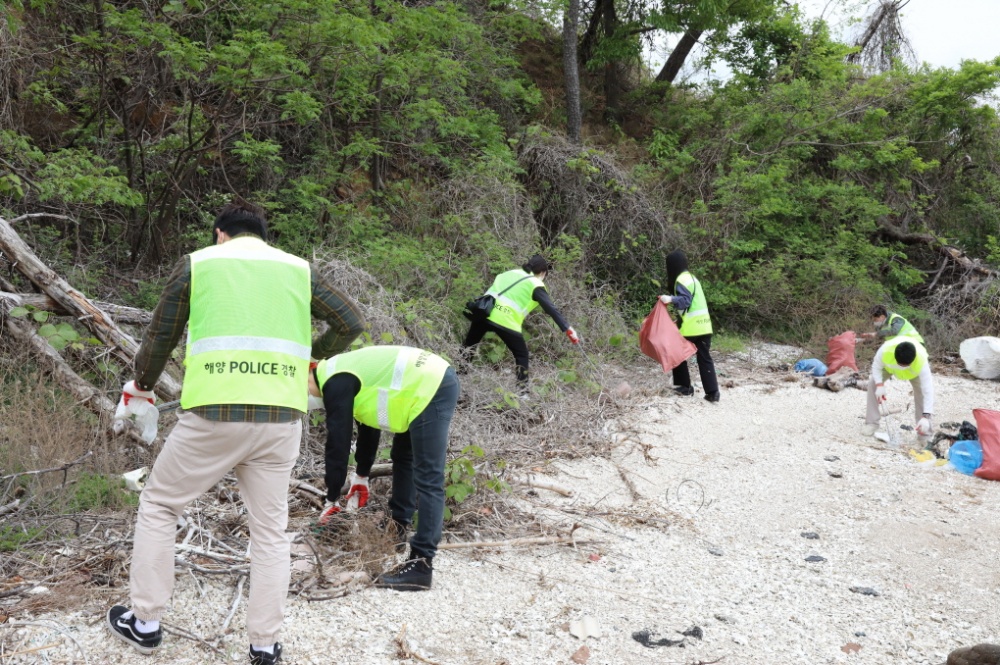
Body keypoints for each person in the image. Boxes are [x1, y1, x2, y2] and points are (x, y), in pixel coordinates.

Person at [106, 201, 365, 665]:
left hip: (212, 416)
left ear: (220, 233)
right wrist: (310, 359)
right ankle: (264, 646)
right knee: (270, 532)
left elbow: (161, 335)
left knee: (161, 504)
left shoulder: (199, 263)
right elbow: (351, 321)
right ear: (263, 235)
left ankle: (145, 622)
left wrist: (142, 386)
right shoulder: (297, 269)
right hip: (280, 420)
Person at [308, 345, 459, 591]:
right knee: (403, 455)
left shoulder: (334, 381)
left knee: (429, 476)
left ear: (308, 371)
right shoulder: (341, 373)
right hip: (423, 383)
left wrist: (332, 498)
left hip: (431, 385)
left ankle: (421, 566)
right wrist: (361, 476)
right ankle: (397, 529)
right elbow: (369, 423)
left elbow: (338, 443)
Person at [460, 254, 579, 395]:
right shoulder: (536, 284)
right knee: (521, 354)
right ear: (542, 272)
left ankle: (459, 377)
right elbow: (551, 309)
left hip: (484, 313)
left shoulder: (510, 273)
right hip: (506, 321)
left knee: (469, 346)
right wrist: (567, 328)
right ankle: (523, 393)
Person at [659, 249, 720, 402]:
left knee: (676, 354)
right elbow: (692, 306)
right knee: (705, 358)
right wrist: (678, 321)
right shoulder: (692, 278)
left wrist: (670, 299)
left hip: (692, 328)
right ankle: (713, 393)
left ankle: (684, 387)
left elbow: (685, 301)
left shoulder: (681, 279)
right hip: (705, 326)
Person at [863, 337, 934, 442]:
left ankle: (924, 434)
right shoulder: (885, 350)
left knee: (922, 394)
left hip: (913, 373)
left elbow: (928, 389)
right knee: (872, 384)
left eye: (905, 365)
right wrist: (879, 385)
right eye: (900, 364)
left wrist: (926, 415)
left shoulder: (921, 360)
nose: (902, 367)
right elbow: (876, 367)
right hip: (889, 368)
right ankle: (871, 423)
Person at [859, 305, 924, 344]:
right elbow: (882, 336)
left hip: (915, 343)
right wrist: (863, 339)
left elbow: (894, 331)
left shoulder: (896, 319)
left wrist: (875, 334)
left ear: (882, 316)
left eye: (875, 319)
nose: (874, 322)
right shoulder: (882, 324)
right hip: (902, 345)